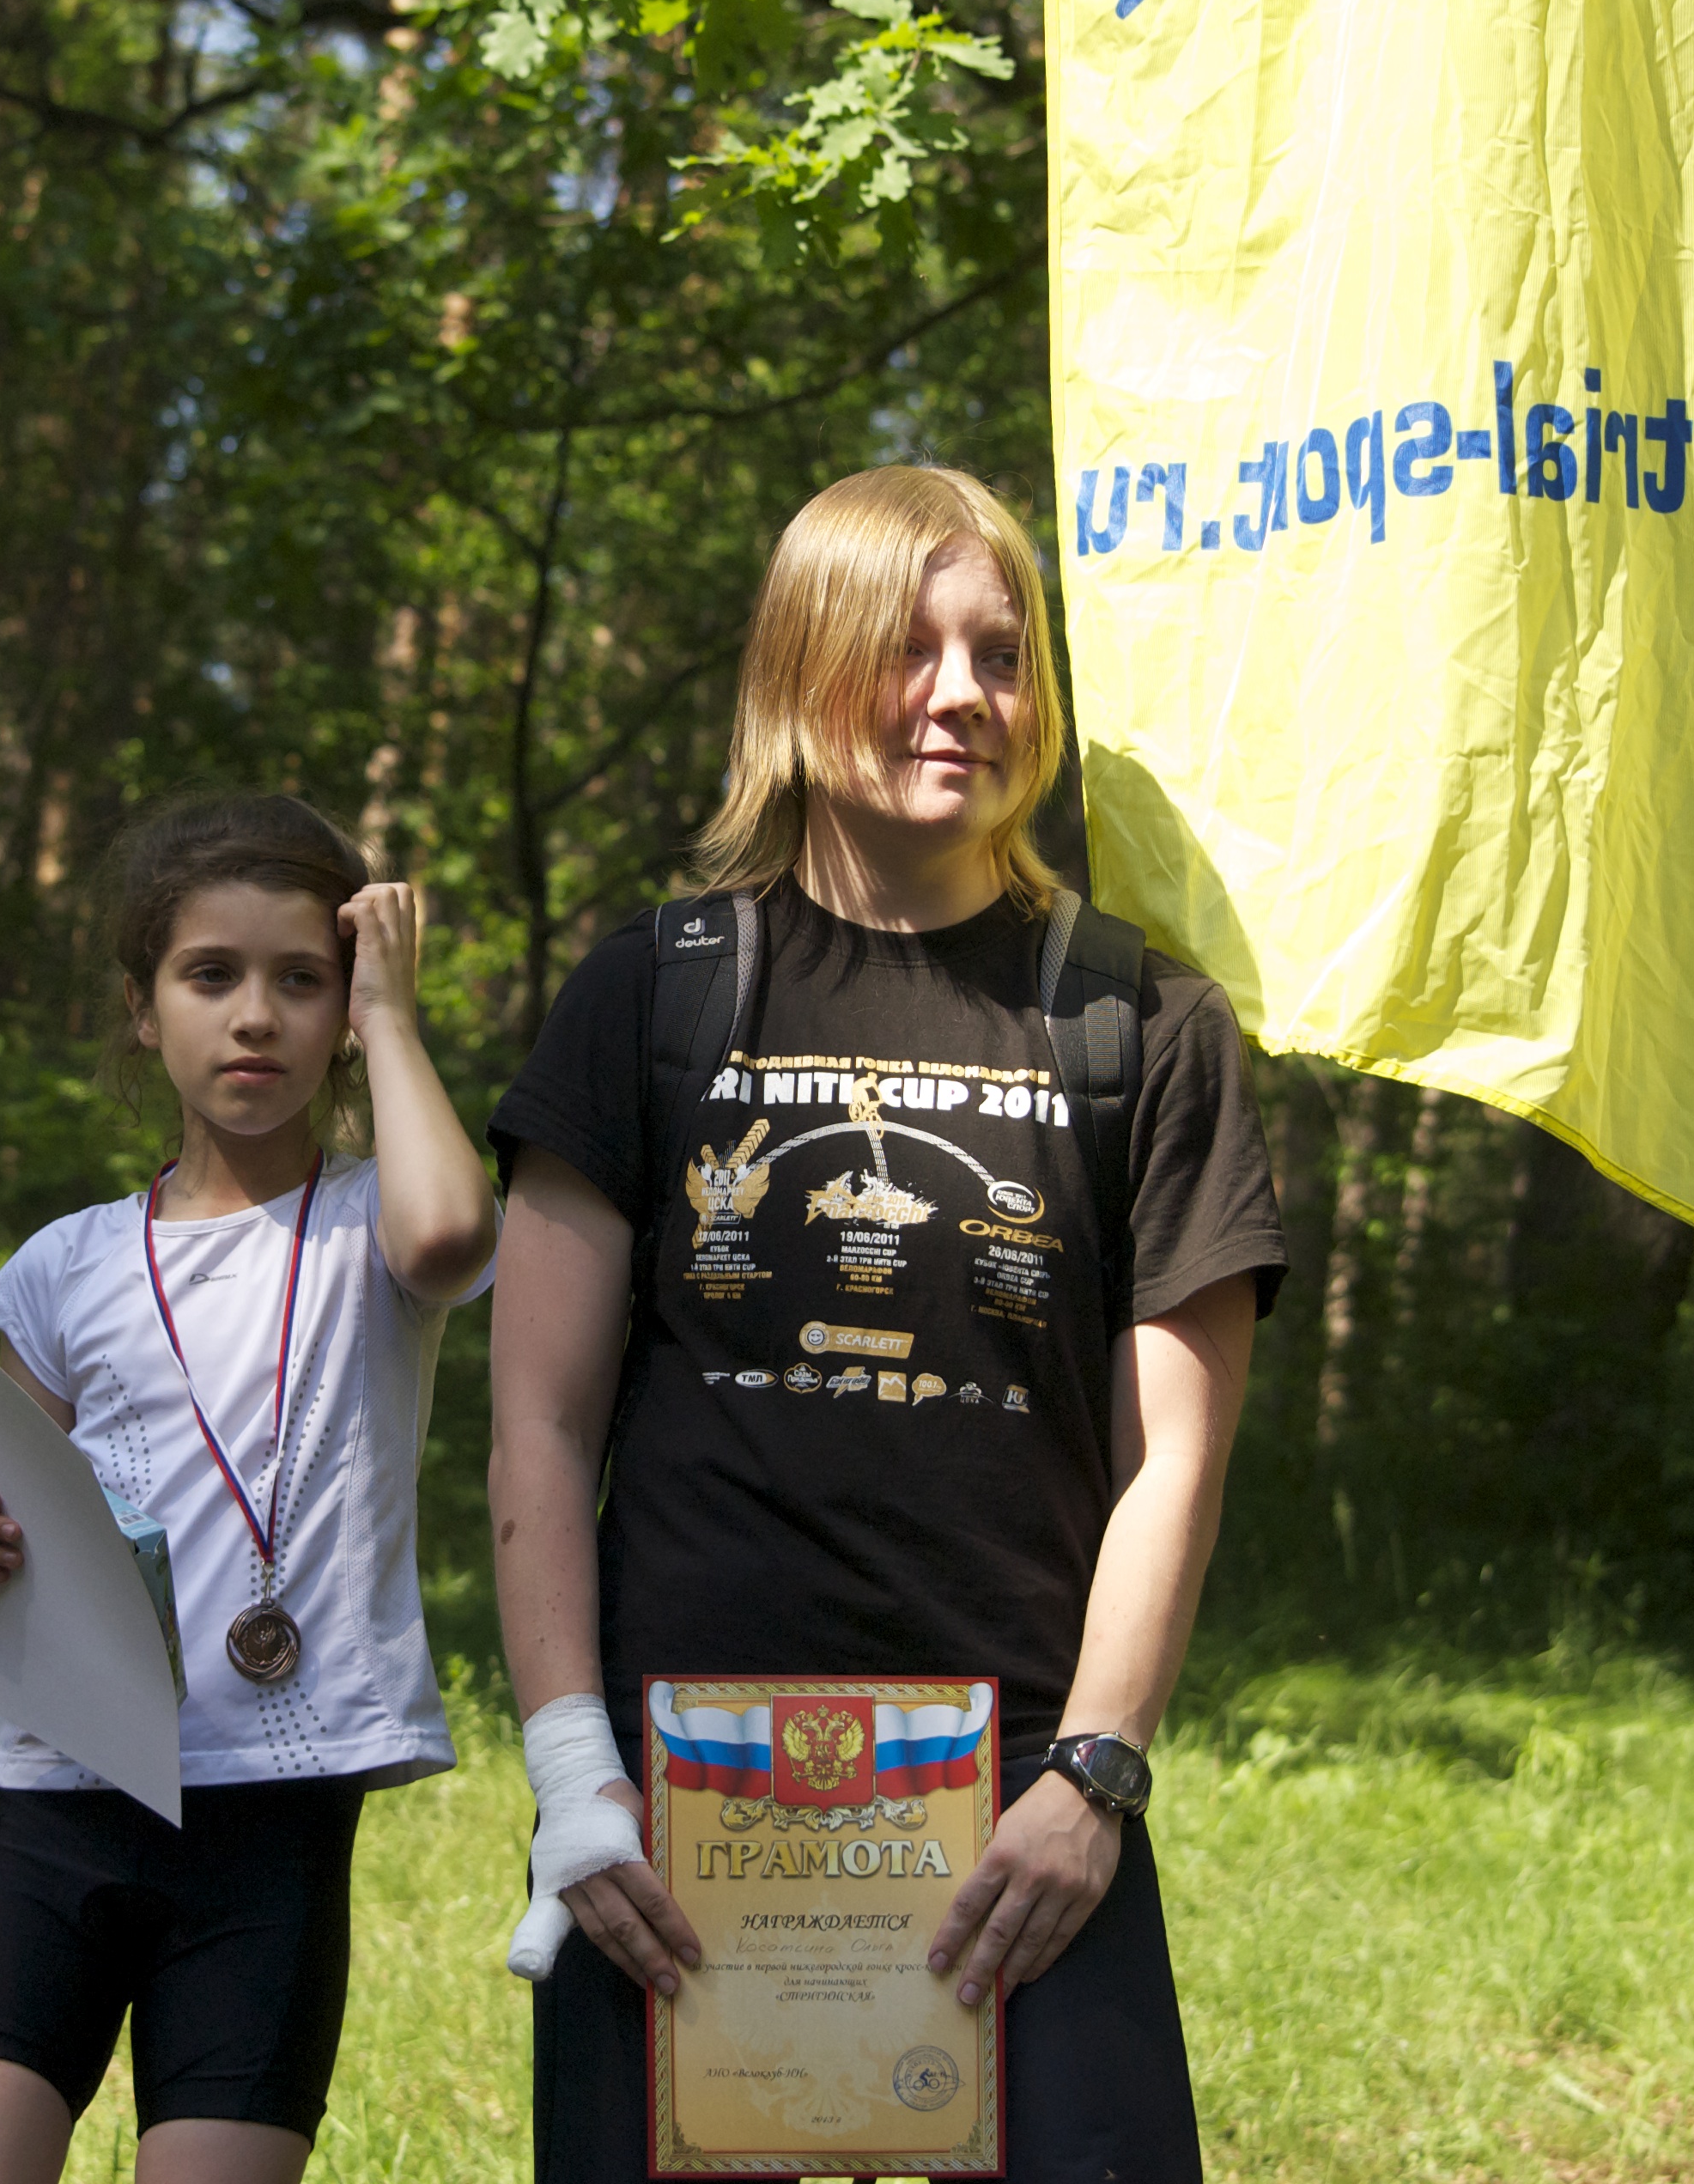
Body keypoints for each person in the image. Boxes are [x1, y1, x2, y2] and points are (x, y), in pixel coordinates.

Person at [484, 465, 1290, 2181]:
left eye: (1000, 654)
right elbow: (539, 1424)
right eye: (907, 649)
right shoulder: (654, 993)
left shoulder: (1143, 1025)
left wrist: (1093, 1780)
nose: (961, 694)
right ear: (801, 667)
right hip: (675, 1802)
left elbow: (1173, 1464)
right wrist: (573, 1773)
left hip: (1020, 1805)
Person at [0, 794, 501, 2184]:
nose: (255, 1017)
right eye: (210, 975)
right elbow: (9, 1501)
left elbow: (450, 1236)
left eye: (302, 981)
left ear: (345, 1010)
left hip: (273, 1815)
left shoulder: (368, 1219)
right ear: (142, 1007)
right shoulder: (68, 1262)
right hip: (61, 1794)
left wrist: (393, 1015)